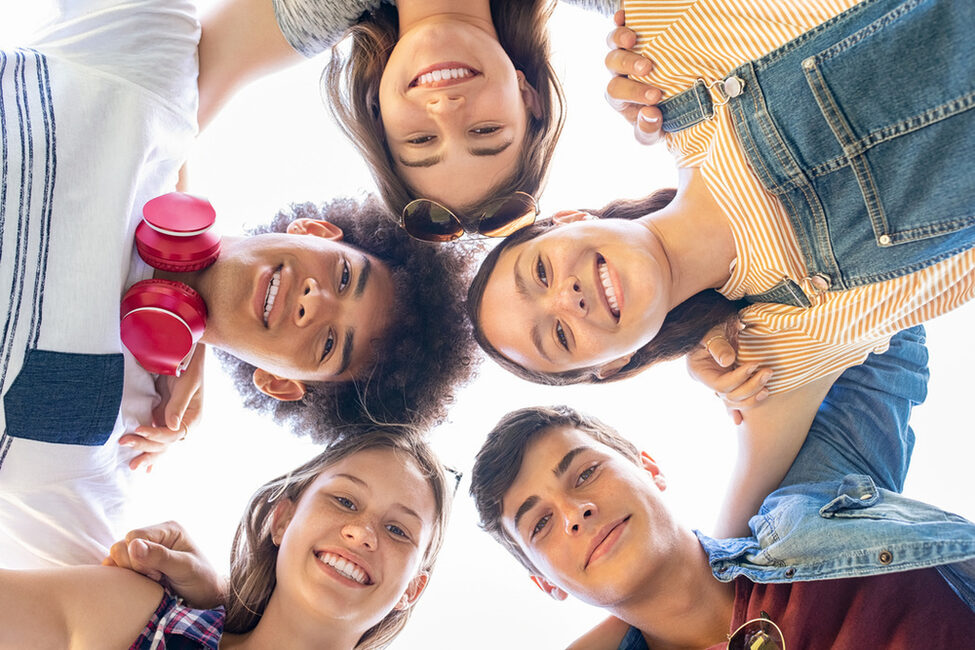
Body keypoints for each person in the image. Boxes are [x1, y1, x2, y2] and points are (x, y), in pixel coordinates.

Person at [467, 0, 975, 533]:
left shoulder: (672, 59)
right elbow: (723, 554)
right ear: (615, 365)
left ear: (567, 218)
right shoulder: (777, 346)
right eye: (561, 336)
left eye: (541, 273)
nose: (566, 299)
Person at [0, 0, 473, 570]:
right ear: (317, 231)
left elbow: (83, 618)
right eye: (344, 276)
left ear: (279, 382)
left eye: (329, 344)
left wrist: (204, 588)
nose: (313, 302)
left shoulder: (102, 450)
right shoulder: (150, 91)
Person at [470, 327, 975, 649]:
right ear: (545, 583)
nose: (574, 512)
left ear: (649, 467)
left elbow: (889, 333)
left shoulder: (811, 506)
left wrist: (713, 323)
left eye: (584, 473)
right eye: (540, 525)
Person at [189, 0, 623, 238]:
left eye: (420, 140)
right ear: (528, 96)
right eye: (485, 131)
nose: (447, 110)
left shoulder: (316, 10)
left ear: (379, 116)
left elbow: (170, 106)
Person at [0, 430, 452, 650]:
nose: (361, 533)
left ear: (412, 591)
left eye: (397, 530)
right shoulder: (131, 614)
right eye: (344, 501)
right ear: (282, 519)